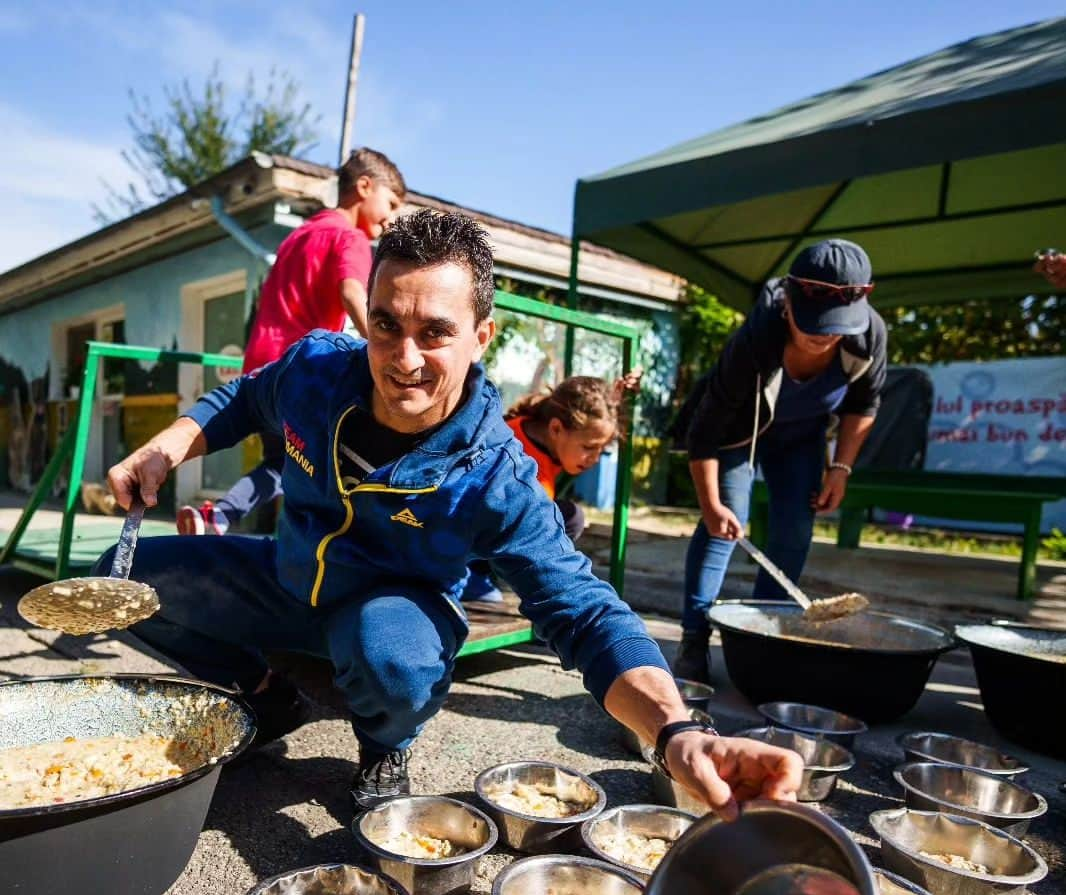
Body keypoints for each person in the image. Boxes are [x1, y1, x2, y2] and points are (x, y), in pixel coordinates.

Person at [96, 209, 802, 818]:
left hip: (389, 608)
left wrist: (674, 730)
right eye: (386, 324)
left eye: (434, 332)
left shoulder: (498, 476)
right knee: (113, 585)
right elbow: (247, 398)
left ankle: (385, 748)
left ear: (480, 336)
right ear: (365, 315)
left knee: (389, 660)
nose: (403, 359)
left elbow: (584, 611)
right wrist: (165, 449)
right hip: (287, 577)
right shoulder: (317, 370)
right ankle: (267, 695)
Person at [673, 239, 886, 684]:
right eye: (814, 324)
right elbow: (705, 430)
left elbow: (863, 406)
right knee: (726, 526)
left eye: (836, 327)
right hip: (735, 436)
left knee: (795, 531)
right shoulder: (755, 339)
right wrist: (711, 504)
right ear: (788, 302)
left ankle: (765, 638)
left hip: (802, 438)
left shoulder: (869, 337)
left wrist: (840, 468)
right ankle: (694, 637)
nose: (825, 335)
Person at [176, 147, 406, 535]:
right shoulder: (348, 238)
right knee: (326, 459)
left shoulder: (300, 234)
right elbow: (354, 293)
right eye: (392, 202)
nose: (393, 216)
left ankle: (217, 517)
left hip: (263, 365)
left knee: (283, 461)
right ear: (365, 187)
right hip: (304, 369)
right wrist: (387, 350)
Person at [462, 372, 641, 602]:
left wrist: (618, 397)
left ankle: (496, 573)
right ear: (556, 429)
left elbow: (589, 408)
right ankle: (473, 572)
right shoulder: (513, 448)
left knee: (563, 514)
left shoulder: (547, 442)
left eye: (601, 449)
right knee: (567, 517)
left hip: (494, 528)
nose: (595, 458)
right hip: (466, 529)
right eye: (589, 447)